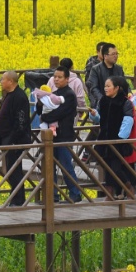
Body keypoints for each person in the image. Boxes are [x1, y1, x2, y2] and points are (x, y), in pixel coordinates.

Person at [38, 65, 81, 204]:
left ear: (67, 79)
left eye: (59, 77)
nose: (56, 79)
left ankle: (75, 194)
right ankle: (52, 196)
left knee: (65, 165)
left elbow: (59, 113)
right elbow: (43, 110)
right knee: (50, 165)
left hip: (64, 135)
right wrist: (41, 100)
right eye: (55, 77)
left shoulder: (69, 95)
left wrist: (45, 118)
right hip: (52, 136)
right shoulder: (54, 93)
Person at [0, 71, 31, 206]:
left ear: (10, 81)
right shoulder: (10, 95)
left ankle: (18, 200)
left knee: (14, 170)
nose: (1, 82)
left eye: (3, 79)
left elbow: (21, 121)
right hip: (8, 139)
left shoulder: (19, 97)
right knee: (11, 170)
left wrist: (13, 139)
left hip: (15, 141)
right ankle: (15, 197)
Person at [95, 76, 135, 199]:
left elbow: (128, 120)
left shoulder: (125, 102)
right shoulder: (103, 101)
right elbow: (100, 118)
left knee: (116, 167)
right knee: (107, 166)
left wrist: (121, 137)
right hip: (104, 138)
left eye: (108, 86)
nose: (105, 88)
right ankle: (109, 192)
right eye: (105, 86)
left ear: (117, 88)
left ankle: (128, 186)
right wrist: (94, 115)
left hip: (117, 139)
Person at [86, 42, 122, 109]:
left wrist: (129, 93)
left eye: (117, 54)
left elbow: (124, 84)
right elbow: (93, 88)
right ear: (105, 56)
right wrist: (103, 100)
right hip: (101, 104)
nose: (116, 56)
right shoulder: (96, 69)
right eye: (113, 54)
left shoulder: (119, 68)